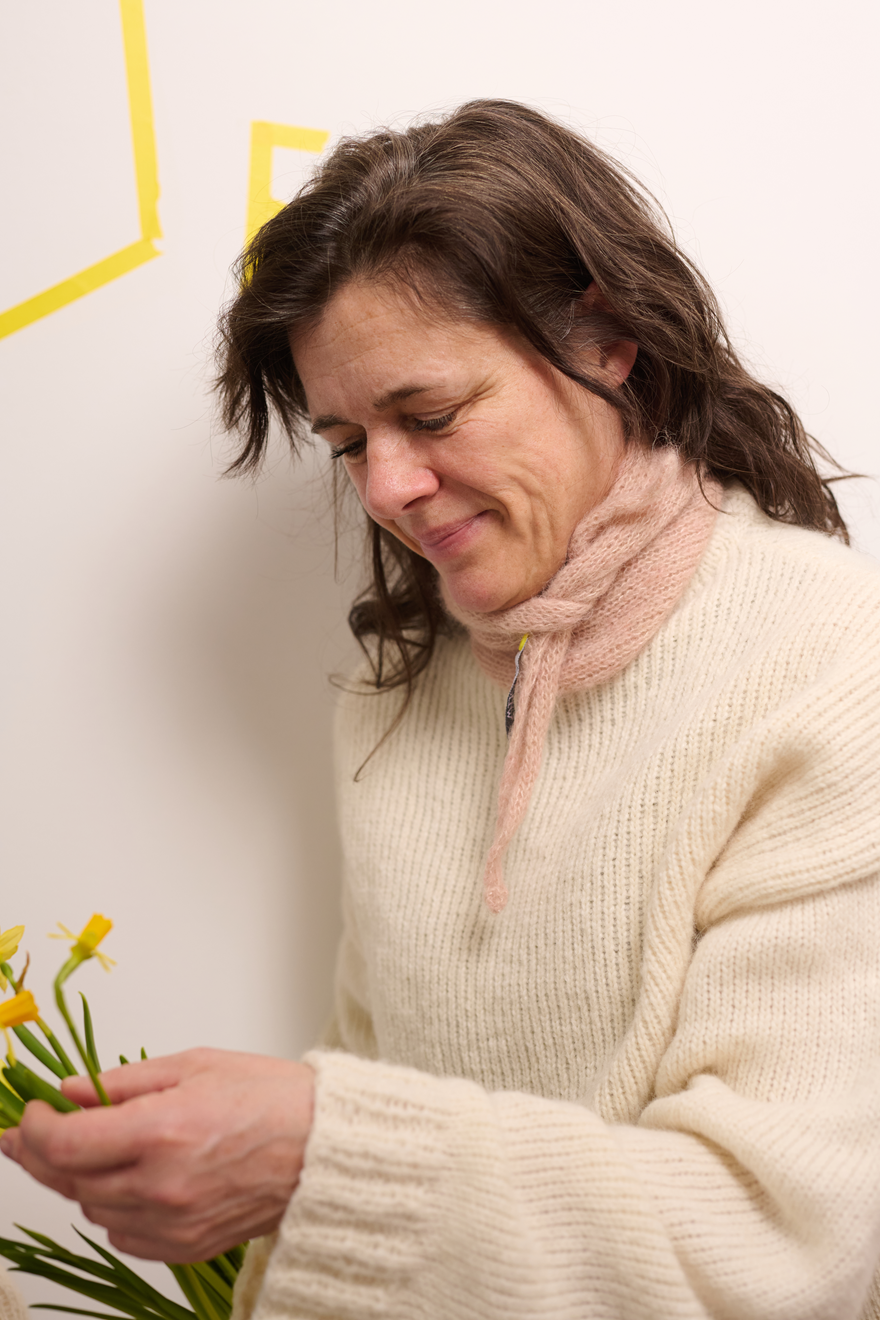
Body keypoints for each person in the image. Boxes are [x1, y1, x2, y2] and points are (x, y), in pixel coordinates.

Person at [4, 98, 880, 1319]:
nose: (390, 489)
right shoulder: (396, 700)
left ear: (606, 337)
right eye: (350, 440)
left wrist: (314, 1156)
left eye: (431, 415)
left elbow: (784, 1250)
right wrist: (267, 1168)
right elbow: (382, 1093)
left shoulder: (833, 664)